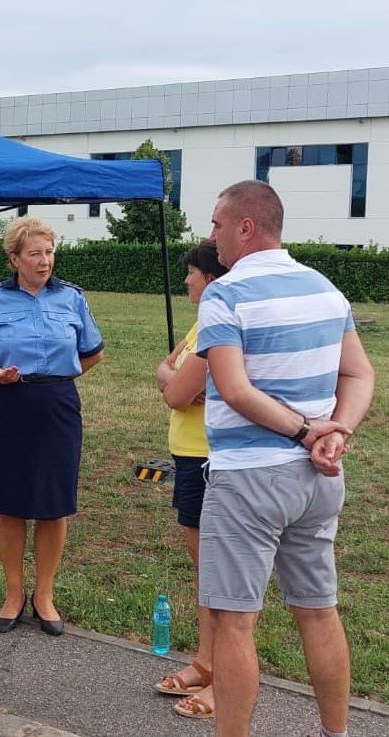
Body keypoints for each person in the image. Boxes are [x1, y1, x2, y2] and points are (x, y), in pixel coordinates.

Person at [198, 180, 374, 737]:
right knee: (319, 611)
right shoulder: (326, 289)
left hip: (248, 478)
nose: (213, 236)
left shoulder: (223, 295)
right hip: (319, 479)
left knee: (234, 623)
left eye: (218, 224)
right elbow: (360, 373)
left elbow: (234, 389)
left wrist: (306, 431)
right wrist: (336, 431)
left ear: (246, 226)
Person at [0, 216, 104, 635]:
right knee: (9, 503)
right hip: (8, 403)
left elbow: (93, 352)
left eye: (49, 252)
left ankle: (44, 595)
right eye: (35, 254)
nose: (45, 261)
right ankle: (13, 594)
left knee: (53, 504)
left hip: (58, 405)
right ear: (14, 258)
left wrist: (59, 374)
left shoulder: (73, 298)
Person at [153, 240, 228, 719]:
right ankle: (206, 661)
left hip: (208, 458)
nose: (186, 280)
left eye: (192, 273)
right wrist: (176, 382)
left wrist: (178, 385)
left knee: (221, 578)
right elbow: (165, 370)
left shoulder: (220, 321)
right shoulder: (202, 322)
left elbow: (176, 393)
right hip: (187, 454)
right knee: (205, 575)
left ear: (212, 277)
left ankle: (224, 681)